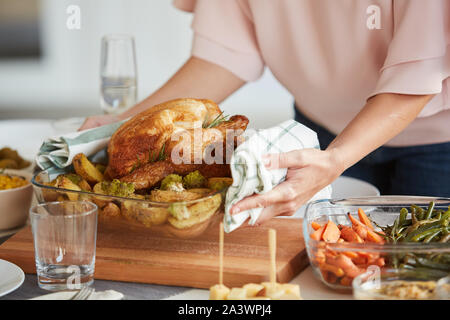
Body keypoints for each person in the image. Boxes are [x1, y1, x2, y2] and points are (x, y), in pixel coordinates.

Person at [80, 0, 450, 225]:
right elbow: (222, 56)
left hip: (437, 145)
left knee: (417, 274)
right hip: (315, 137)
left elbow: (418, 73)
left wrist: (337, 157)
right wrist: (126, 121)